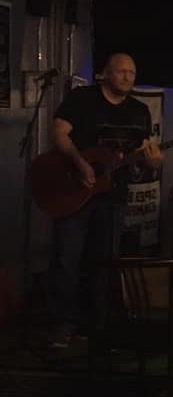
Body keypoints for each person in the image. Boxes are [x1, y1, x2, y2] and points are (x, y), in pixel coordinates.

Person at [47, 53, 164, 348]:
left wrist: (155, 161)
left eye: (132, 73)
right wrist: (79, 162)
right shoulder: (82, 99)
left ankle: (96, 325)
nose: (127, 77)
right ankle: (63, 325)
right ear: (105, 74)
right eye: (121, 71)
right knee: (67, 259)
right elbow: (60, 132)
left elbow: (145, 153)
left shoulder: (139, 111)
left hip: (112, 194)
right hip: (74, 189)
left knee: (102, 262)